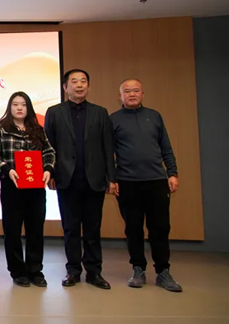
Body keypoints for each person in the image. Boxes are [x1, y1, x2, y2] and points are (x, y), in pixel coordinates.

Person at [44, 69, 116, 290]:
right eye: (74, 82)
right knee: (71, 228)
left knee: (93, 228)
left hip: (94, 179)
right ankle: (73, 271)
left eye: (83, 81)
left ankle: (94, 272)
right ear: (65, 87)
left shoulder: (100, 112)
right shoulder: (54, 112)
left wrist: (111, 178)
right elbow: (48, 146)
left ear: (89, 86)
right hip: (67, 179)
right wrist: (51, 173)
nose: (79, 85)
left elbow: (108, 147)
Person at [111, 79, 182, 292]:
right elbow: (107, 152)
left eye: (136, 90)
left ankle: (163, 272)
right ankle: (138, 269)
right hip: (127, 182)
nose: (132, 94)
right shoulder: (113, 119)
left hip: (156, 181)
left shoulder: (155, 116)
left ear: (143, 94)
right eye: (127, 91)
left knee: (160, 228)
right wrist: (112, 179)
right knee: (133, 228)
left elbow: (166, 147)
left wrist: (172, 173)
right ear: (120, 96)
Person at [0, 92, 56, 288]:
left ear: (28, 108)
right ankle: (17, 271)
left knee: (35, 229)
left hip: (35, 187)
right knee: (12, 230)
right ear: (9, 107)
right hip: (12, 186)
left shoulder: (37, 129)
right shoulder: (0, 129)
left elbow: (49, 151)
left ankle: (35, 270)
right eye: (15, 104)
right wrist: (7, 169)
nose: (19, 108)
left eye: (23, 105)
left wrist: (48, 169)